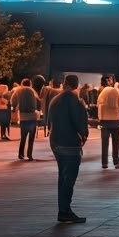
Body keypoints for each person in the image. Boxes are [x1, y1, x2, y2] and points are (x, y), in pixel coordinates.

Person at [49, 74, 89, 223]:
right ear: (76, 85)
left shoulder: (55, 99)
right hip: (70, 143)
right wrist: (83, 136)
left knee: (63, 177)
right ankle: (65, 211)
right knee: (69, 179)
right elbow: (80, 121)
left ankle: (63, 210)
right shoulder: (73, 99)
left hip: (56, 142)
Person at [95, 76, 119, 169]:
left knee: (105, 143)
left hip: (104, 120)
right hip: (115, 119)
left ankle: (104, 162)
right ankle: (116, 161)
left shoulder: (101, 93)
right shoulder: (114, 91)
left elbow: (98, 105)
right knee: (115, 143)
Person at [10, 78, 41, 161]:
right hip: (32, 117)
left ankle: (20, 154)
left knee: (23, 137)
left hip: (23, 117)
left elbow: (13, 102)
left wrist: (14, 109)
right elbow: (38, 103)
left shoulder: (18, 91)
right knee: (31, 138)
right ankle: (29, 155)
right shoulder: (33, 91)